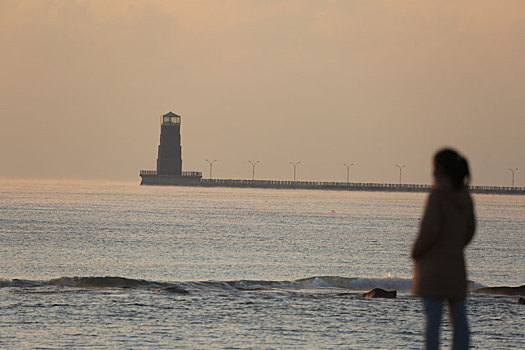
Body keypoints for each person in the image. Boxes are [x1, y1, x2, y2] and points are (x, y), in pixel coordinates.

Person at [411, 148, 476, 350]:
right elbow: (470, 230)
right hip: (456, 265)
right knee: (459, 318)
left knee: (433, 321)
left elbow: (430, 231)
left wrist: (416, 252)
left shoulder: (438, 196)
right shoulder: (465, 198)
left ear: (439, 169)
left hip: (433, 269)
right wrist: (455, 246)